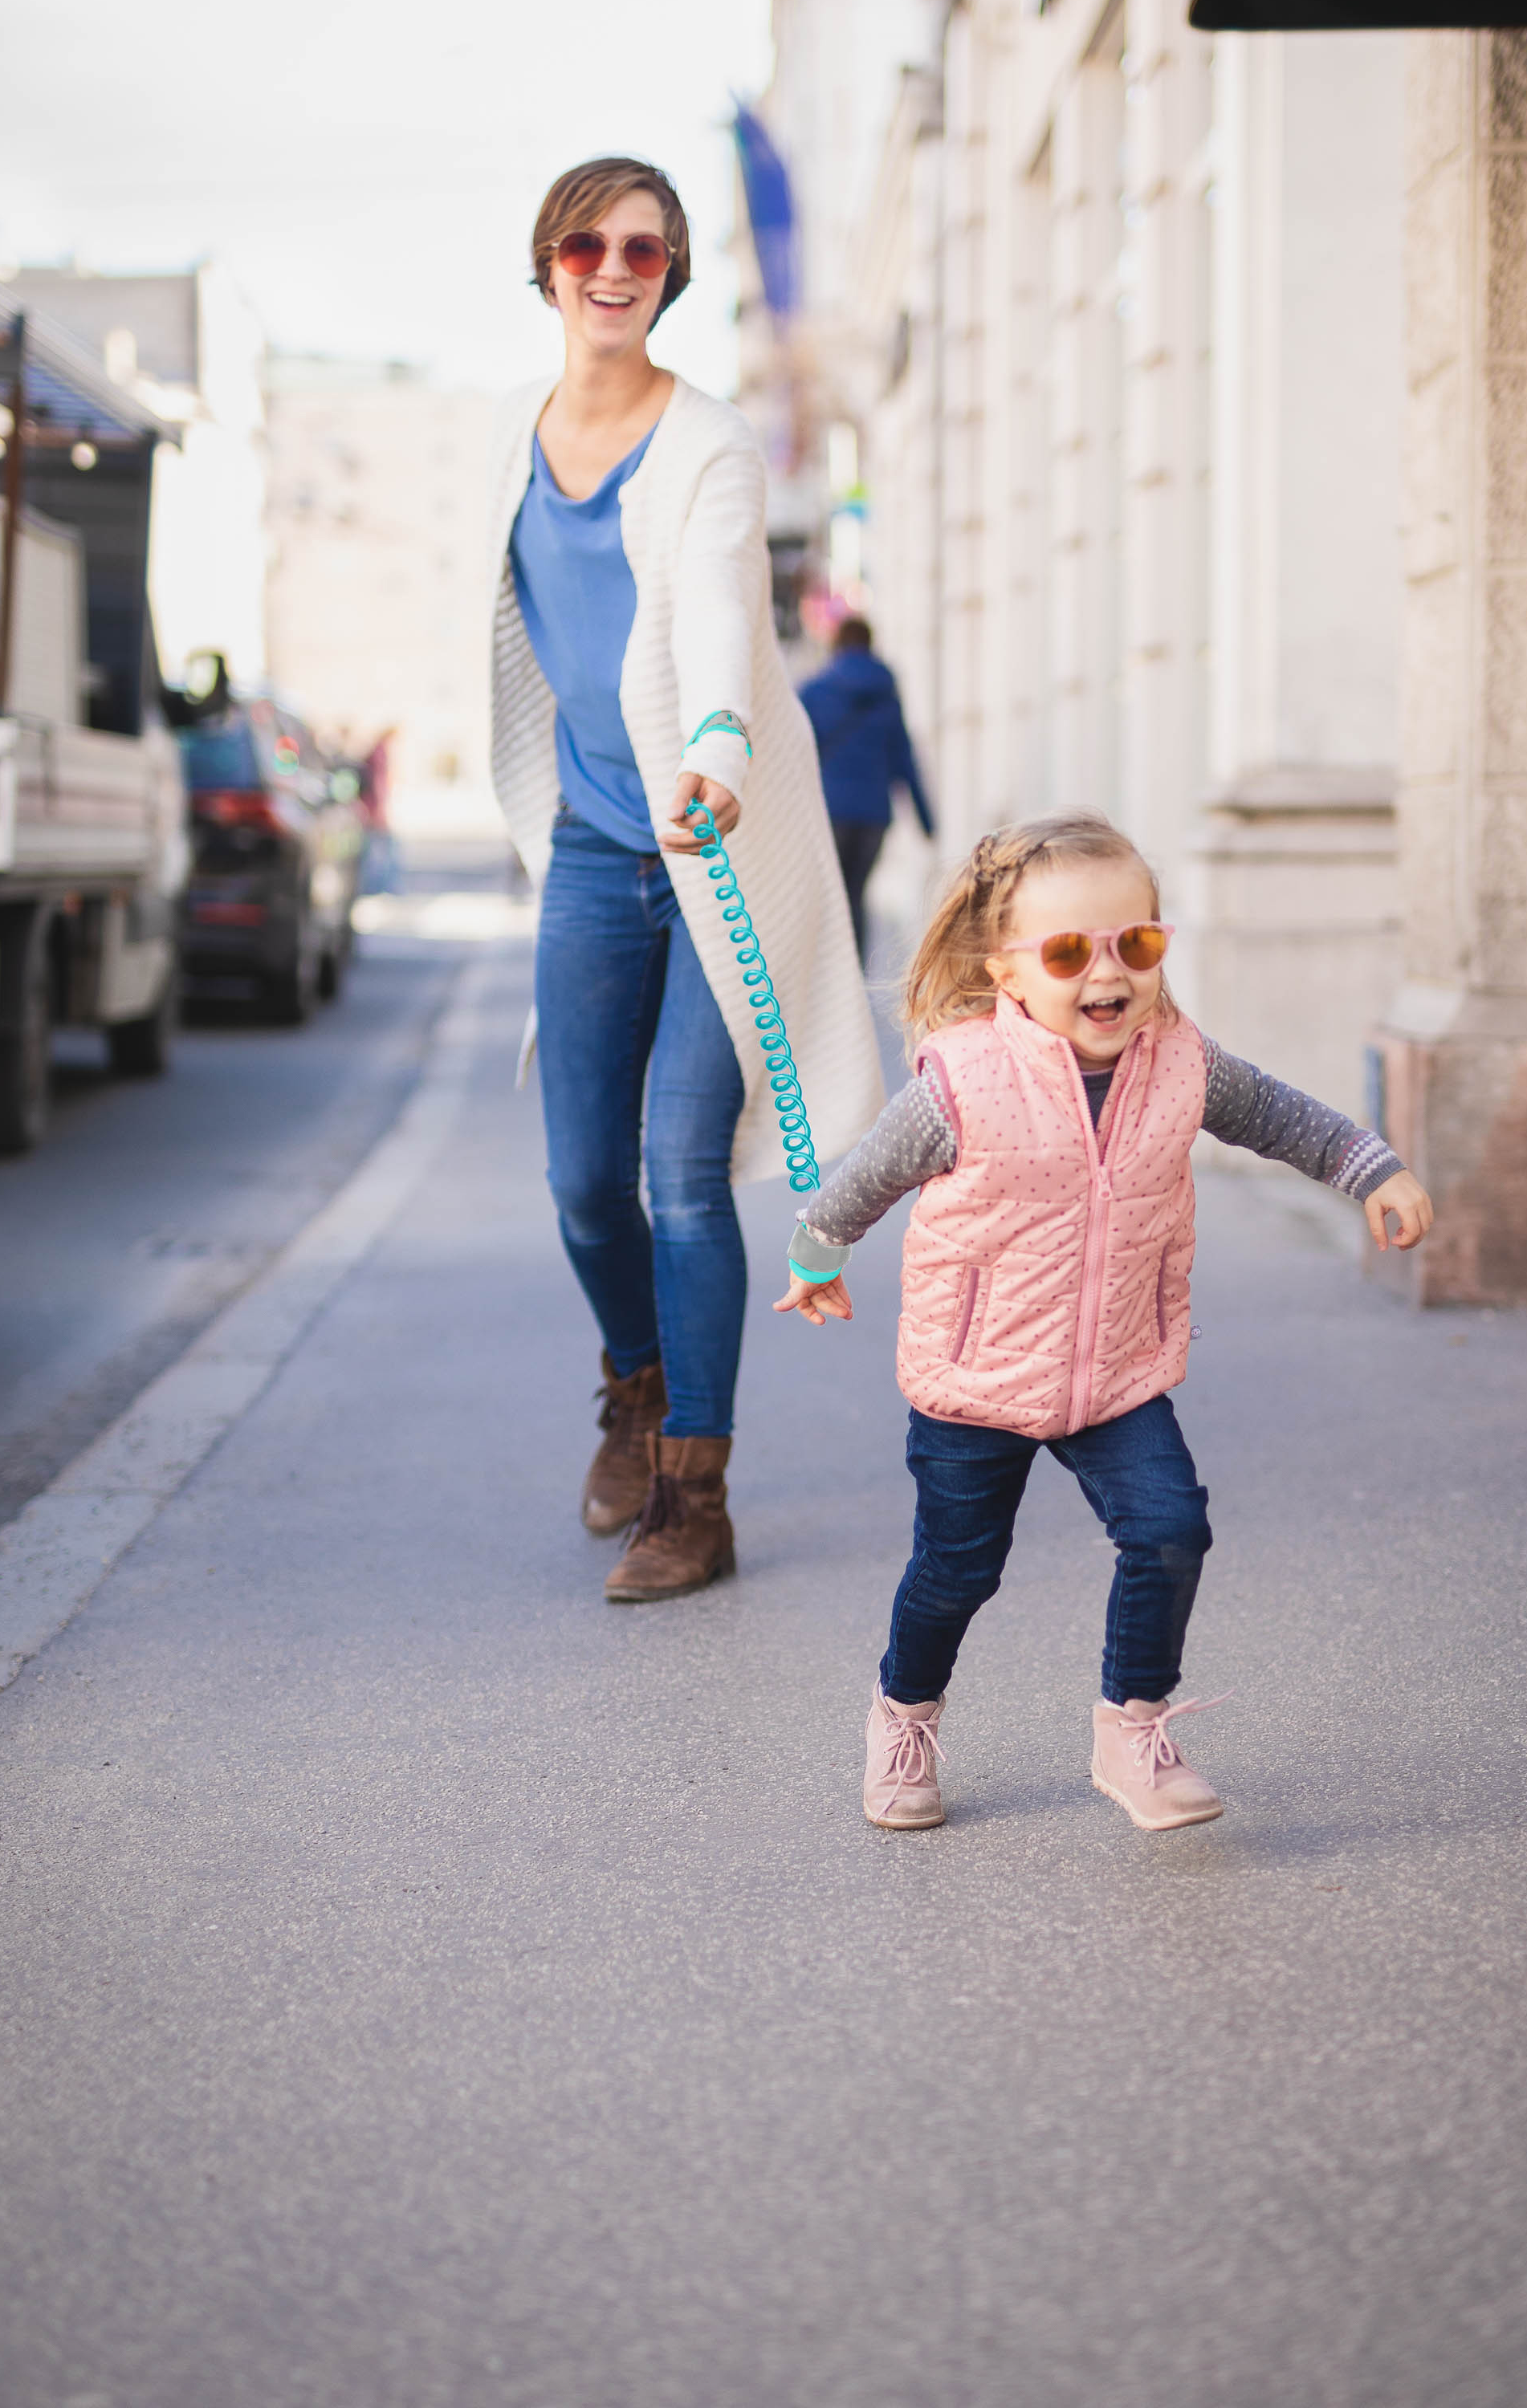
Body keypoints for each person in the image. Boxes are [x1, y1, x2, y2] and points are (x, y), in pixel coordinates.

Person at [772, 809, 1434, 1832]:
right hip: (975, 1379)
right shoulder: (962, 1082)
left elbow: (1284, 1118)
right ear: (1006, 971)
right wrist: (817, 1253)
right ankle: (903, 1715)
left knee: (1171, 1530)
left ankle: (1133, 1729)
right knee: (956, 1572)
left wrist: (1369, 1170)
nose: (1109, 973)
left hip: (1117, 1371)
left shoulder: (1183, 1063)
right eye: (1072, 950)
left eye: (1139, 944)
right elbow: (867, 1176)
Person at [490, 156, 882, 1602]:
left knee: (675, 1171)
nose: (613, 266)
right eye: (586, 243)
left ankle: (692, 1499)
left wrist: (717, 743)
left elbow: (720, 600)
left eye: (643, 249)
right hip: (596, 848)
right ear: (545, 264)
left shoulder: (708, 443)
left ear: (672, 273)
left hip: (717, 841)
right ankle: (634, 1384)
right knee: (582, 1180)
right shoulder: (508, 441)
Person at [797, 616, 934, 951]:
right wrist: (927, 821)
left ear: (837, 646)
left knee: (827, 896)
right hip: (873, 816)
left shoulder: (815, 692)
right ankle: (853, 974)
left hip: (828, 811)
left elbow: (795, 754)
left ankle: (825, 973)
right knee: (856, 895)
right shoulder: (886, 696)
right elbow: (904, 758)